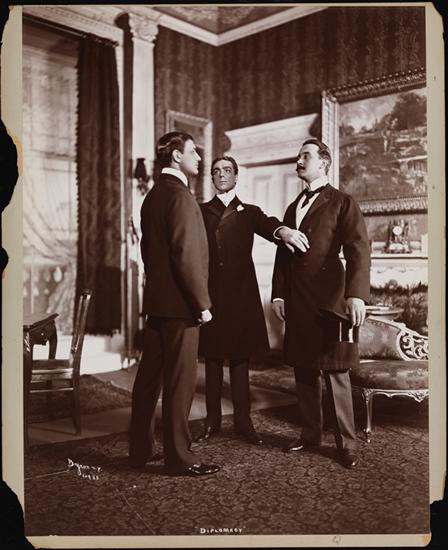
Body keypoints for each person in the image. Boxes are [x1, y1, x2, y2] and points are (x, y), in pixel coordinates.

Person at [195, 155, 309, 445]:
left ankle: (243, 424)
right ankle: (211, 422)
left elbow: (270, 225)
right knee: (212, 360)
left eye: (227, 170)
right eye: (216, 171)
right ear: (212, 178)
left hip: (240, 296)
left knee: (240, 361)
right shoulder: (200, 211)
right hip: (211, 294)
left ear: (236, 176)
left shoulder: (249, 212)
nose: (221, 175)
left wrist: (284, 231)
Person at [271, 139, 370, 469]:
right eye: (299, 155)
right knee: (303, 368)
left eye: (306, 156)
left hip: (331, 300)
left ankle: (347, 443)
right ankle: (311, 433)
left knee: (336, 370)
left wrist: (356, 295)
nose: (299, 161)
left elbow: (358, 251)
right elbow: (283, 256)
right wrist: (279, 294)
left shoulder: (342, 202)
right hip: (298, 300)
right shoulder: (293, 207)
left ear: (324, 163)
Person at [129, 131, 220, 477]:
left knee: (148, 380)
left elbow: (148, 253)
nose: (199, 158)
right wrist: (202, 303)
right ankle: (180, 458)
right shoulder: (181, 196)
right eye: (193, 152)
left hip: (158, 304)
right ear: (177, 156)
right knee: (180, 384)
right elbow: (186, 255)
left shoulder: (153, 195)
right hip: (182, 306)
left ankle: (140, 451)